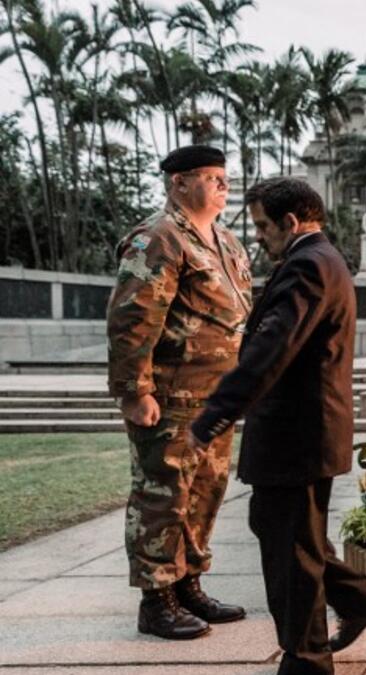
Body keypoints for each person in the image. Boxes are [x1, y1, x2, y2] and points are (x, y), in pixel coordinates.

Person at [187, 177, 366, 674]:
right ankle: (361, 600)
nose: (258, 236)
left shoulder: (308, 266)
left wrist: (212, 416)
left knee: (292, 554)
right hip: (302, 432)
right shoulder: (320, 259)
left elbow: (269, 352)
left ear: (291, 222)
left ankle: (307, 660)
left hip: (296, 434)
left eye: (263, 227)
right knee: (283, 532)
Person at [107, 144, 251, 640]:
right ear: (179, 183)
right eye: (211, 177)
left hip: (216, 398)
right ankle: (157, 600)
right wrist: (134, 391)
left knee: (205, 493)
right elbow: (132, 320)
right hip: (170, 397)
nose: (223, 185)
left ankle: (189, 584)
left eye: (224, 177)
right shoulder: (159, 238)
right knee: (162, 496)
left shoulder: (226, 241)